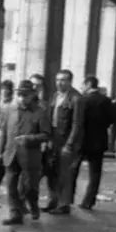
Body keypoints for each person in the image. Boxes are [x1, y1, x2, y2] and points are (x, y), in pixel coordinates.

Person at [0, 80, 51, 224]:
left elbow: (46, 134)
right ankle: (15, 214)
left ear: (32, 95)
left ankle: (33, 204)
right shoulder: (9, 110)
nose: (21, 98)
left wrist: (28, 139)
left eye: (25, 95)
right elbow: (4, 132)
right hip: (11, 153)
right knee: (11, 184)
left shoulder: (39, 112)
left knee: (29, 186)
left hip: (30, 156)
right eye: (19, 95)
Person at [44, 69, 84, 215]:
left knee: (64, 173)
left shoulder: (76, 99)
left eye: (63, 80)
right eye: (57, 80)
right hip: (53, 138)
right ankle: (53, 200)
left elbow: (77, 124)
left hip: (66, 140)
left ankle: (63, 204)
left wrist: (69, 144)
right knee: (51, 171)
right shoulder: (55, 96)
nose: (59, 83)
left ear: (70, 81)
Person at [74, 80, 113, 210]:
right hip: (99, 140)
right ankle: (88, 201)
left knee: (73, 168)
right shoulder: (106, 100)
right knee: (95, 173)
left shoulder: (83, 100)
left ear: (89, 84)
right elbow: (110, 119)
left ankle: (67, 198)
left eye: (83, 84)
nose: (81, 87)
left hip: (83, 139)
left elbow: (79, 120)